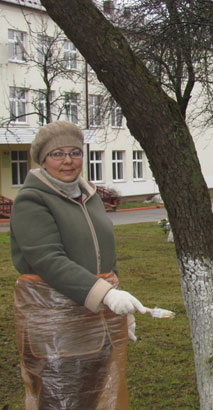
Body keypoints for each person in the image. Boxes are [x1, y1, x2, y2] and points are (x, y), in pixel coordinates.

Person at [10, 121, 146, 409]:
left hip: (97, 320)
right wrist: (106, 295)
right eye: (57, 154)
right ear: (42, 159)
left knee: (95, 396)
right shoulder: (32, 201)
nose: (68, 160)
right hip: (54, 326)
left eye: (75, 152)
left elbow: (105, 254)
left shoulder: (90, 196)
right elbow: (48, 260)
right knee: (59, 398)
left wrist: (117, 305)